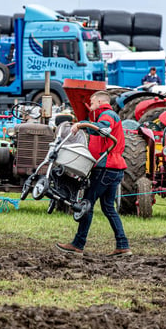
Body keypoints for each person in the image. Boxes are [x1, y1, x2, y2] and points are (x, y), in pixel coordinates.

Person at [56, 90, 131, 257]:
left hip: (106, 168)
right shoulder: (106, 115)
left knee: (86, 204)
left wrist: (81, 124)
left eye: (91, 103)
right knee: (108, 208)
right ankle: (123, 245)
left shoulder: (106, 115)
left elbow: (104, 129)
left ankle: (78, 244)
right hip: (115, 168)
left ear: (98, 102)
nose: (90, 106)